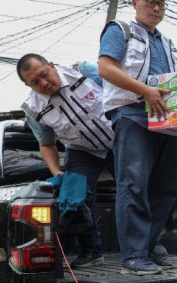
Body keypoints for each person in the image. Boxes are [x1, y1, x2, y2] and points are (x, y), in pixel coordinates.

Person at [98, 0, 177, 275]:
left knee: (166, 189)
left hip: (165, 121)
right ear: (135, 4)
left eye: (161, 3)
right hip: (132, 114)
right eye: (150, 1)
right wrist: (145, 91)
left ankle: (148, 247)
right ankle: (133, 256)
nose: (156, 8)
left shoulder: (167, 43)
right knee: (133, 185)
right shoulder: (120, 31)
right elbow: (106, 68)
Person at [18, 54, 114, 269]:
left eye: (44, 75)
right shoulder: (33, 109)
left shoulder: (83, 72)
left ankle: (144, 250)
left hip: (119, 139)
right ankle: (91, 252)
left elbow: (119, 91)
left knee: (134, 190)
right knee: (75, 197)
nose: (44, 83)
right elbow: (47, 144)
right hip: (81, 150)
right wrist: (57, 172)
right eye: (35, 82)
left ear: (51, 65)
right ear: (28, 85)